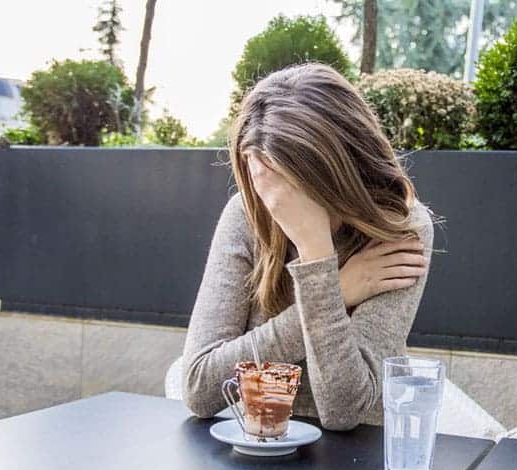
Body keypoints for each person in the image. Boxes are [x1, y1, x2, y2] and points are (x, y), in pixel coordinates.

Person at [181, 62, 437, 431]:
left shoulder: (400, 228)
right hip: (254, 460)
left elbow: (345, 410)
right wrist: (337, 291)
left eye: (288, 183)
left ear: (338, 170)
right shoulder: (246, 213)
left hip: (355, 465)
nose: (272, 198)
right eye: (260, 177)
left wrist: (315, 252)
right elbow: (200, 387)